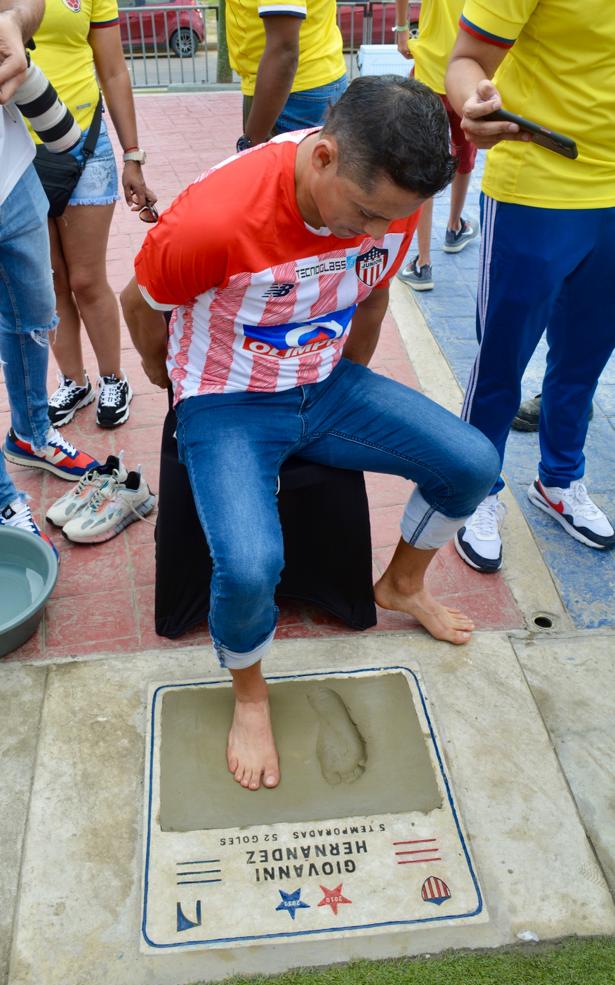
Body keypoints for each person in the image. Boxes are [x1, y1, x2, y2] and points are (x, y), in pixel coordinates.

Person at [121, 76, 500, 792]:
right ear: (322, 157)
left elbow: (376, 292)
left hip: (322, 385)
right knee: (250, 562)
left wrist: (347, 384)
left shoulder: (389, 203)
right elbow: (138, 306)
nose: (373, 232)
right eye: (363, 213)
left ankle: (400, 584)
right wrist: (170, 385)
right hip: (226, 398)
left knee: (471, 464)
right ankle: (250, 692)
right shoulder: (215, 219)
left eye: (390, 220)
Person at [446, 0, 615, 573]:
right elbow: (467, 59)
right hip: (537, 185)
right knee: (501, 360)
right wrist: (475, 102)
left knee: (586, 359)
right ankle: (475, 488)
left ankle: (561, 480)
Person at [28, 0, 156, 430]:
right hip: (16, 154)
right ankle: (73, 381)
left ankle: (113, 379)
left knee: (85, 278)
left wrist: (133, 156)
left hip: (84, 145)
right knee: (50, 280)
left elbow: (114, 70)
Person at [0, 0, 97, 554]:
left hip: (13, 175)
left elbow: (28, 3)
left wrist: (15, 22)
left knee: (34, 318)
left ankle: (33, 435)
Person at [395, 0, 478, 291]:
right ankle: (454, 227)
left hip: (431, 70)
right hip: (472, 74)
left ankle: (424, 262)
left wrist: (403, 28)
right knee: (465, 155)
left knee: (424, 163)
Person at [226, 0, 347, 151]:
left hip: (288, 89)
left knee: (282, 170)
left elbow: (284, 50)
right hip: (307, 76)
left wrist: (251, 144)